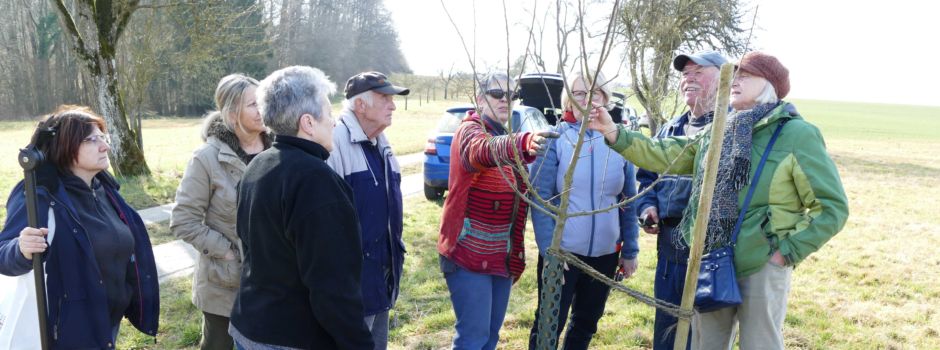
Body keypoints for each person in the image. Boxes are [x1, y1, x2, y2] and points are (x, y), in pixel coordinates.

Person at [589, 51, 849, 350]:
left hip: (761, 263)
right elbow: (665, 153)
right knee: (704, 345)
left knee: (759, 345)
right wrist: (612, 131)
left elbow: (831, 208)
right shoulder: (720, 130)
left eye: (745, 76)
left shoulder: (796, 134)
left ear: (769, 84)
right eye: (734, 74)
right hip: (712, 258)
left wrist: (784, 253)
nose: (735, 81)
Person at [227, 66, 373, 349]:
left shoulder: (259, 164)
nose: (334, 123)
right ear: (308, 122)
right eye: (329, 114)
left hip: (249, 327)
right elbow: (333, 286)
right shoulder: (317, 182)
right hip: (291, 338)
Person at [0, 106, 159, 348]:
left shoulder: (105, 191)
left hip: (107, 324)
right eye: (91, 140)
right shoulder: (39, 195)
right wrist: (20, 249)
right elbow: (3, 253)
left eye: (103, 137)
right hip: (67, 332)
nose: (104, 146)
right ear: (65, 146)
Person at [437, 72, 557, 350]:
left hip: (498, 257)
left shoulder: (501, 134)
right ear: (480, 98)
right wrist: (523, 142)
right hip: (468, 254)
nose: (506, 100)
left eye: (512, 95)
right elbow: (480, 151)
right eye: (497, 94)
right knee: (472, 339)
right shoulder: (471, 129)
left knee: (489, 338)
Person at [527, 70, 639, 350]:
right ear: (568, 102)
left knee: (586, 323)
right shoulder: (555, 140)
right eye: (579, 93)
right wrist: (550, 251)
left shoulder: (619, 141)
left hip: (605, 254)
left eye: (595, 93)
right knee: (549, 323)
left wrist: (630, 251)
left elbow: (629, 200)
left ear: (605, 99)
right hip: (563, 254)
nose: (587, 100)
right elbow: (540, 197)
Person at [170, 73, 271, 350]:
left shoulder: (278, 151)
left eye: (262, 101)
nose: (261, 109)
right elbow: (183, 220)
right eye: (253, 104)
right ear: (231, 111)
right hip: (225, 287)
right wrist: (227, 252)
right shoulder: (207, 158)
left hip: (274, 283)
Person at [635, 50, 727, 350]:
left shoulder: (730, 131)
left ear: (724, 77)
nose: (689, 78)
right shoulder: (668, 130)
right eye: (685, 73)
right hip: (669, 248)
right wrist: (647, 208)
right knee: (666, 328)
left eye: (698, 71)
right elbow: (647, 179)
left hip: (712, 252)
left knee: (703, 335)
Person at [326, 71, 409, 350]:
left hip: (381, 277)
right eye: (384, 98)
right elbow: (325, 221)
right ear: (360, 105)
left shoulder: (381, 142)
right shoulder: (335, 142)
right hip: (351, 287)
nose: (393, 105)